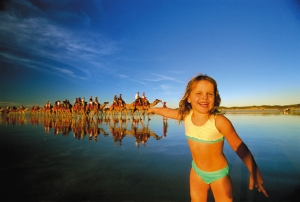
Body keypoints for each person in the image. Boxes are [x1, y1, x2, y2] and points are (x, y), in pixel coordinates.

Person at [147, 74, 268, 201]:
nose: (204, 97)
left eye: (210, 94)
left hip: (219, 174)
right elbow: (167, 112)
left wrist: (254, 170)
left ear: (215, 98)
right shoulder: (186, 116)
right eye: (198, 93)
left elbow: (239, 147)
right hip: (197, 172)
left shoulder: (220, 121)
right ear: (189, 97)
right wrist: (153, 109)